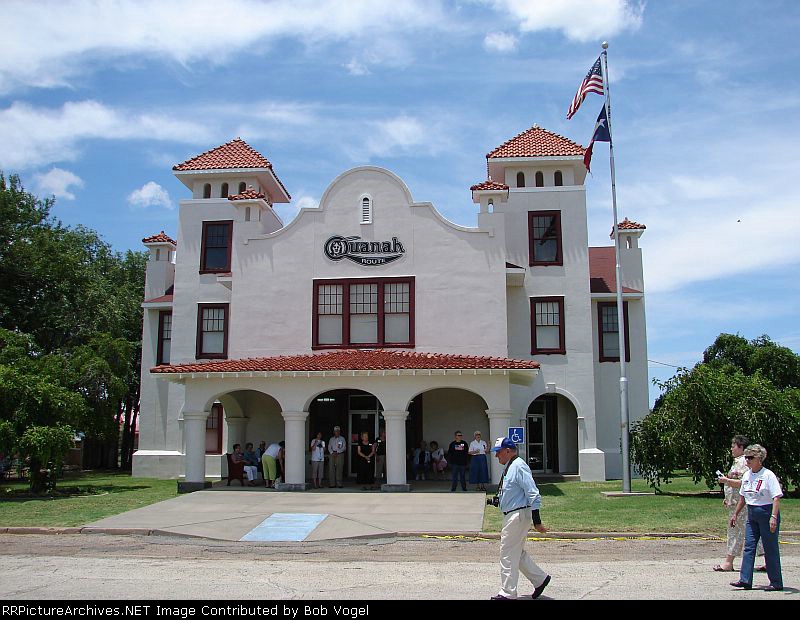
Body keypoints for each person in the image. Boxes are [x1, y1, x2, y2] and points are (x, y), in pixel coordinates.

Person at [489, 437, 550, 600]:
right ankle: (540, 579)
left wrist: (537, 521)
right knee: (517, 552)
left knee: (507, 552)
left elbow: (533, 493)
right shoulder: (511, 466)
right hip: (514, 514)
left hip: (518, 515)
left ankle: (507, 593)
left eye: (499, 452)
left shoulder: (519, 466)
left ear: (508, 451)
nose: (496, 456)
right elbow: (512, 491)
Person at [729, 444, 784, 592]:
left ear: (759, 459)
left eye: (750, 458)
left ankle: (776, 582)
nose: (747, 460)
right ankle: (745, 579)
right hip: (752, 513)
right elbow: (743, 497)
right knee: (749, 546)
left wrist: (773, 517)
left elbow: (776, 497)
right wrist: (735, 513)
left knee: (770, 547)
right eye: (746, 457)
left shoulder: (768, 475)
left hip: (766, 512)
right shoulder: (747, 475)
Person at [715, 435, 765, 572]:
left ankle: (729, 562)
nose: (731, 449)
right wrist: (728, 497)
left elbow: (744, 483)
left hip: (743, 505)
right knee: (738, 532)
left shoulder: (745, 462)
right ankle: (730, 562)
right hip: (735, 504)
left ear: (741, 447)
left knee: (743, 532)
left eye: (734, 446)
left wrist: (726, 480)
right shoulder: (737, 461)